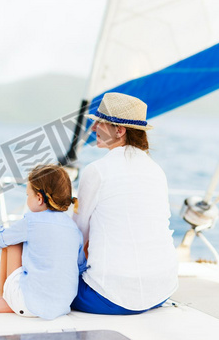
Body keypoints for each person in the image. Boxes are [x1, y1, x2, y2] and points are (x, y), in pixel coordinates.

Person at [71, 92, 178, 315]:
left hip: (109, 296)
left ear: (120, 131)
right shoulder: (156, 170)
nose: (93, 129)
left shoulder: (97, 171)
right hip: (160, 290)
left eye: (100, 123)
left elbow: (77, 232)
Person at [0, 164, 84, 320]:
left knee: (12, 241)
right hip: (62, 306)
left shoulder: (31, 221)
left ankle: (3, 296)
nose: (27, 198)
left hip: (28, 305)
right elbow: (80, 265)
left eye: (28, 195)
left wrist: (1, 232)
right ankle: (10, 298)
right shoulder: (74, 229)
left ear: (39, 198)